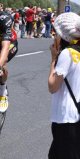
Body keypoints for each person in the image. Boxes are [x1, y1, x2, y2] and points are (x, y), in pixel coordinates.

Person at [48, 12, 80, 159]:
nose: (55, 36)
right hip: (75, 115)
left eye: (56, 33)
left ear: (64, 36)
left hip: (66, 118)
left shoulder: (68, 54)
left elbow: (53, 86)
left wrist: (54, 59)